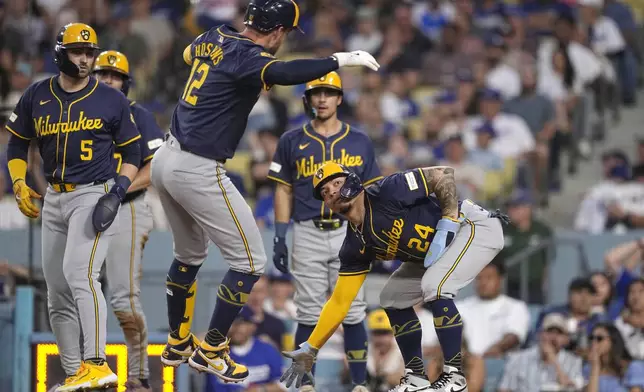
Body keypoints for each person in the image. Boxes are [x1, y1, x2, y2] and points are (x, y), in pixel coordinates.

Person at [149, 0, 380, 383]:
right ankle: (212, 349)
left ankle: (177, 340)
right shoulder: (251, 56)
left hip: (165, 157)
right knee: (251, 262)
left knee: (189, 255)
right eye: (286, 34)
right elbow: (286, 72)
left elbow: (192, 53)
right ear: (277, 32)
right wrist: (338, 59)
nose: (285, 40)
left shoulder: (214, 36)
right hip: (197, 165)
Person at [280, 162, 508, 392]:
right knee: (392, 298)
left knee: (435, 286)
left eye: (336, 183)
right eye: (325, 192)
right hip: (432, 254)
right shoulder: (353, 246)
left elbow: (444, 174)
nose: (332, 193)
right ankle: (416, 377)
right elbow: (340, 302)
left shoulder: (386, 191)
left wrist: (449, 219)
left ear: (352, 182)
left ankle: (454, 376)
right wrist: (312, 347)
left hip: (472, 225)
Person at [6, 23, 141, 391]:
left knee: (79, 273)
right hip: (53, 196)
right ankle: (74, 372)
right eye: (77, 52)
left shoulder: (110, 99)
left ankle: (97, 362)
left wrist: (117, 193)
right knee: (57, 289)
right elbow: (17, 145)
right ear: (59, 52)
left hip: (92, 194)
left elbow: (133, 152)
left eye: (89, 53)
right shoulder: (37, 94)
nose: (84, 59)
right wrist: (19, 181)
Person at [267, 71, 382, 391]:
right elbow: (282, 190)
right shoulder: (291, 140)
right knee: (308, 309)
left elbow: (373, 188)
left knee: (354, 308)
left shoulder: (360, 139)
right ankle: (305, 382)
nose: (322, 98)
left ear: (339, 98)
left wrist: (375, 230)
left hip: (352, 229)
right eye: (316, 92)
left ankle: (360, 382)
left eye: (328, 92)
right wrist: (279, 235)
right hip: (307, 230)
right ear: (307, 98)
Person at [93, 50, 165, 392]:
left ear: (125, 81)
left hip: (128, 207)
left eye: (114, 75)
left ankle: (139, 375)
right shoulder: (81, 115)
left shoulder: (137, 114)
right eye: (102, 74)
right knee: (75, 294)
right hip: (82, 209)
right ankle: (88, 368)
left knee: (123, 298)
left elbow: (155, 169)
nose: (108, 79)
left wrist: (116, 193)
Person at [205, 307, 285, 392]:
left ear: (253, 326)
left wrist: (259, 389)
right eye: (232, 322)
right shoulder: (215, 354)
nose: (237, 328)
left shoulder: (267, 350)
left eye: (242, 323)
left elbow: (284, 385)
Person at [498, 313, 584, 392]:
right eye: (549, 331)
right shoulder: (517, 358)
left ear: (566, 339)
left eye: (559, 333)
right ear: (540, 334)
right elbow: (504, 389)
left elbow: (570, 388)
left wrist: (554, 360)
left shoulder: (574, 362)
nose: (553, 337)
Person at [584, 322, 644, 391]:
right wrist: (595, 366)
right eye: (591, 338)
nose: (594, 342)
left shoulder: (632, 367)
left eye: (599, 338)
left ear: (612, 340)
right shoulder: (588, 368)